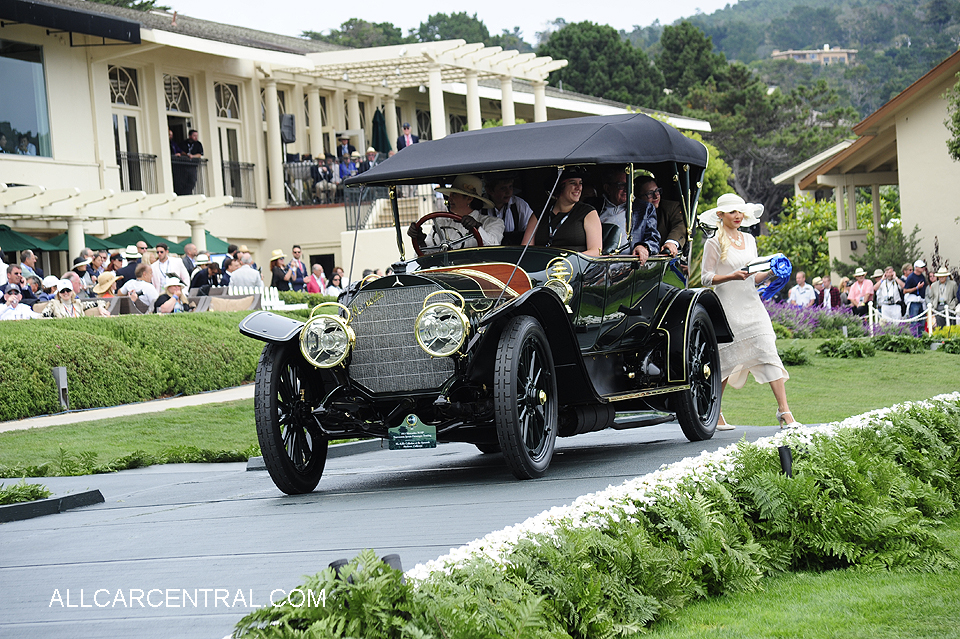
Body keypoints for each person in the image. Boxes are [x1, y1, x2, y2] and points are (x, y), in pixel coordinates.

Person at [699, 193, 800, 430]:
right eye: (732, 211)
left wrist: (774, 272)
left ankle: (784, 412)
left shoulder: (750, 239)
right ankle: (715, 411)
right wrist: (731, 276)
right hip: (727, 309)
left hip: (752, 306)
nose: (737, 216)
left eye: (740, 211)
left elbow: (754, 277)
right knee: (725, 360)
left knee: (768, 350)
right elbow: (705, 278)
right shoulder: (713, 242)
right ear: (720, 215)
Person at [408, 174, 504, 250]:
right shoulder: (442, 222)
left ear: (469, 199)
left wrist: (477, 228)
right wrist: (420, 241)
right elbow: (428, 255)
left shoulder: (493, 222)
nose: (449, 199)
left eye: (454, 194)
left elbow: (493, 247)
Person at [522, 168, 601, 257]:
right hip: (542, 267)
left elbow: (595, 251)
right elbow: (525, 249)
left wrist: (568, 261)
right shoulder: (539, 214)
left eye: (580, 183)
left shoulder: (588, 212)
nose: (578, 188)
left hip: (574, 267)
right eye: (573, 183)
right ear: (560, 186)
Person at [597, 167, 657, 257]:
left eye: (629, 184)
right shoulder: (594, 206)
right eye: (621, 185)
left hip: (631, 264)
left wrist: (643, 247)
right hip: (598, 262)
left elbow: (653, 238)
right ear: (608, 188)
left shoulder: (644, 208)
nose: (626, 189)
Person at [637, 177, 686, 257]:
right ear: (638, 197)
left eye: (657, 191)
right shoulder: (630, 212)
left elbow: (680, 225)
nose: (656, 196)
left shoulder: (670, 208)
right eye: (650, 193)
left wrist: (671, 242)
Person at [481, 173, 533, 246]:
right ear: (489, 190)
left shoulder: (519, 205)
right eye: (503, 188)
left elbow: (531, 231)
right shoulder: (479, 206)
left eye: (510, 187)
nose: (508, 192)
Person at [42, 279, 109, 317]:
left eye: (68, 290)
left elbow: (101, 302)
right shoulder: (53, 304)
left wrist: (100, 307)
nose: (65, 293)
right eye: (62, 291)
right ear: (59, 293)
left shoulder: (78, 303)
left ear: (72, 291)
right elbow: (41, 317)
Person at [903, 259, 928, 335]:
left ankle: (921, 338)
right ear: (916, 267)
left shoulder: (922, 277)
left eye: (923, 267)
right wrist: (916, 288)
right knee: (914, 323)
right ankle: (913, 339)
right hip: (914, 302)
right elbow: (905, 290)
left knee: (922, 323)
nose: (923, 268)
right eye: (921, 267)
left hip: (921, 301)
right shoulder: (911, 277)